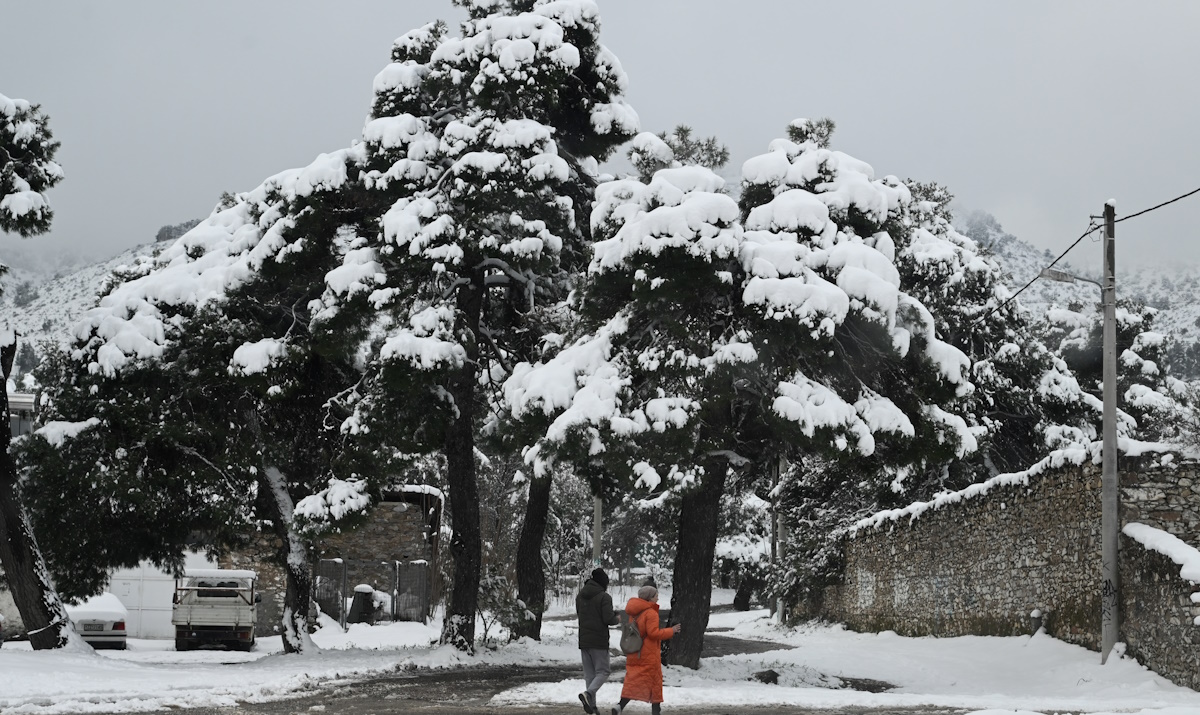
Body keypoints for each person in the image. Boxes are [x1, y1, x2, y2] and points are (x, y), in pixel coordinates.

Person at [614, 585, 681, 715]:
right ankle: (656, 712)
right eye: (656, 595)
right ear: (650, 598)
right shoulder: (650, 613)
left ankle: (619, 706)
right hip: (649, 653)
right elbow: (653, 634)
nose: (658, 597)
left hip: (635, 651)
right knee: (655, 683)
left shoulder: (634, 612)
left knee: (633, 681)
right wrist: (671, 631)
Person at [576, 568, 619, 714]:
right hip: (599, 640)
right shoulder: (604, 597)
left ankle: (592, 707)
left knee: (590, 675)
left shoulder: (580, 596)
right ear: (603, 583)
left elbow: (580, 615)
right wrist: (616, 618)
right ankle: (589, 694)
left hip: (584, 640)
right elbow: (608, 619)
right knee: (603, 671)